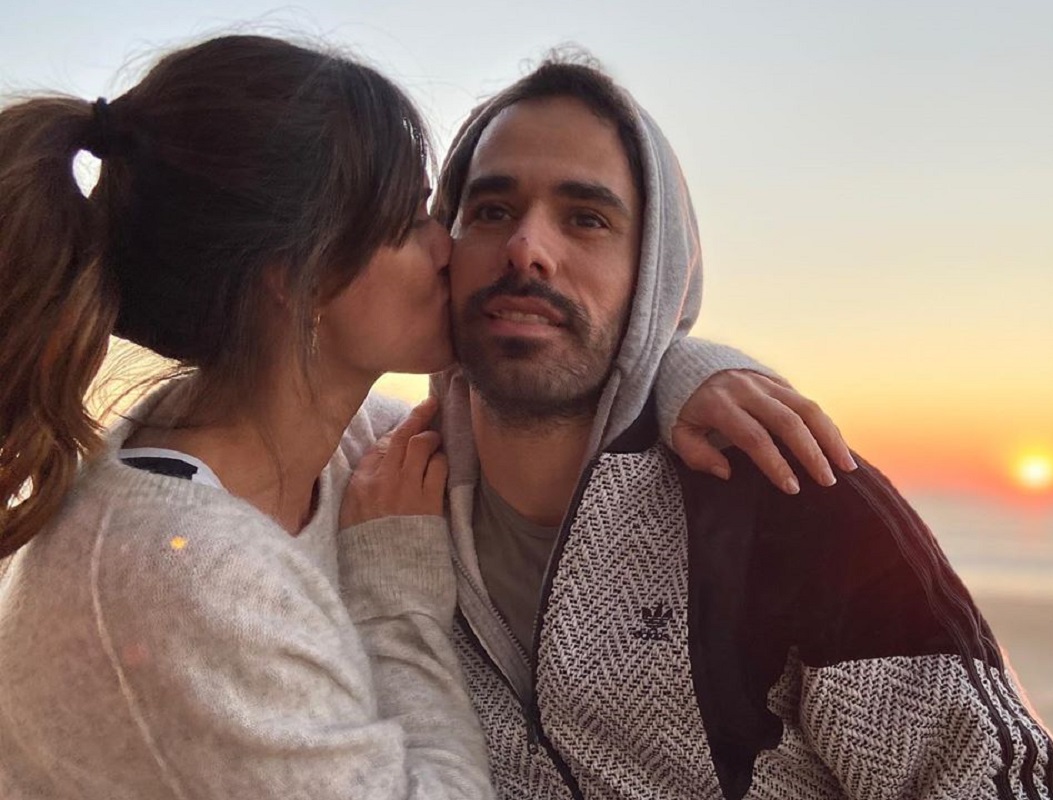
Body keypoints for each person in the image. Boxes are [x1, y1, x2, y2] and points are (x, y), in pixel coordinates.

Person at [0, 35, 852, 798]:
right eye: (410, 221)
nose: (451, 245)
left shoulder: (342, 450)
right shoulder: (183, 578)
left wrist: (683, 370)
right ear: (296, 277)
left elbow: (537, 382)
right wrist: (398, 601)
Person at [422, 56, 1053, 799]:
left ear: (655, 274)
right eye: (492, 211)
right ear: (443, 248)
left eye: (587, 219)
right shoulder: (384, 504)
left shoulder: (791, 491)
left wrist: (681, 362)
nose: (527, 248)